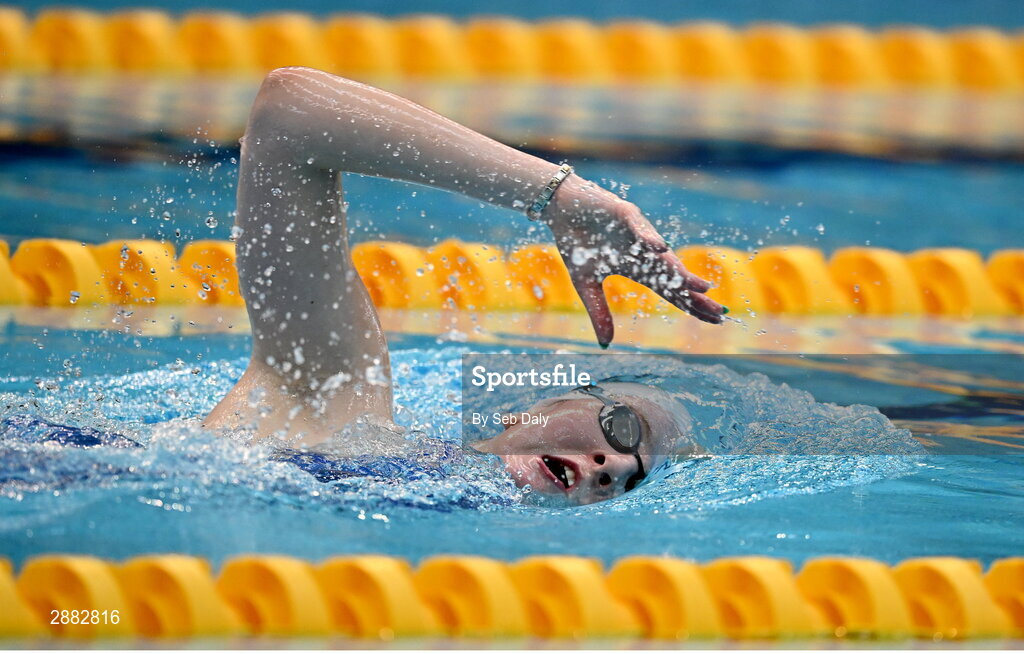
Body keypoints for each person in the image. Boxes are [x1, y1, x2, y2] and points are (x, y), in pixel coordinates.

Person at [203, 67, 725, 502]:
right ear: (540, 407)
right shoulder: (332, 406)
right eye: (622, 429)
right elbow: (287, 113)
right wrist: (557, 196)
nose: (610, 467)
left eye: (627, 482)